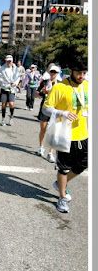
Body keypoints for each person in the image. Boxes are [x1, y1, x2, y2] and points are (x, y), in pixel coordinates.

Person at [42, 62, 88, 213]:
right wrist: (62, 113)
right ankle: (62, 197)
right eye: (79, 73)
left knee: (84, 164)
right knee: (64, 168)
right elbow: (46, 108)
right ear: (70, 71)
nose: (82, 76)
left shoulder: (86, 85)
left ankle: (61, 183)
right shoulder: (60, 87)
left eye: (84, 73)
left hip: (82, 133)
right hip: (64, 134)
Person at [36, 65, 61, 162]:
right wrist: (42, 92)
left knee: (53, 132)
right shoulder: (45, 82)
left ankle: (50, 153)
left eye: (55, 72)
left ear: (58, 73)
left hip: (56, 109)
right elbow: (36, 94)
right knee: (43, 129)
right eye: (52, 72)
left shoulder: (60, 84)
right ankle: (41, 147)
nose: (53, 74)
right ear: (49, 72)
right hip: (45, 108)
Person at [0, 55, 20, 126]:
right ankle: (3, 119)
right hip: (4, 88)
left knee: (11, 104)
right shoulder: (1, 69)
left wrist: (15, 83)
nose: (9, 62)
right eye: (7, 61)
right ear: (5, 61)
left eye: (10, 61)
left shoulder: (15, 69)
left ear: (12, 61)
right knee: (3, 105)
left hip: (12, 89)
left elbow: (18, 77)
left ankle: (11, 117)